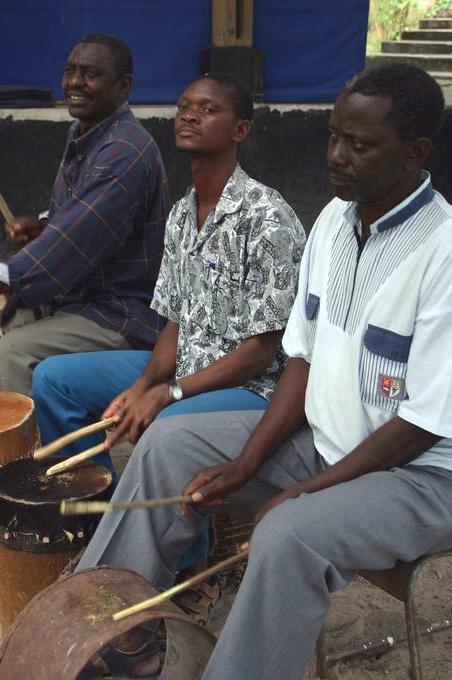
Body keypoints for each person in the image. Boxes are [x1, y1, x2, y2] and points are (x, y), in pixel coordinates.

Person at [75, 63, 452, 680]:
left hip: (436, 479)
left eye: (360, 145)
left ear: (415, 153)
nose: (338, 156)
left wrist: (302, 491)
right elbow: (301, 359)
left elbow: (425, 425)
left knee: (289, 533)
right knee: (170, 442)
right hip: (335, 448)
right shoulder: (335, 224)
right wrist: (248, 462)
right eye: (334, 136)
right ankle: (111, 630)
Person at [31, 73, 305, 477]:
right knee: (53, 379)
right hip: (185, 368)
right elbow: (175, 322)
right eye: (184, 107)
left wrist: (169, 393)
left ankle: (175, 538)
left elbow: (262, 352)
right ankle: (94, 502)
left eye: (208, 110)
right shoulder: (180, 214)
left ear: (240, 130)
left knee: (165, 427)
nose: (189, 116)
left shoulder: (268, 218)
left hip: (252, 389)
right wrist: (143, 386)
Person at [0, 34, 169, 396]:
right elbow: (78, 218)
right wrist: (43, 226)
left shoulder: (124, 151)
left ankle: (34, 453)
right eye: (70, 71)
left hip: (120, 313)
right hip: (84, 301)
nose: (74, 82)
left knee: (12, 353)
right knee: (7, 327)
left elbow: (77, 237)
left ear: (124, 86)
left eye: (90, 74)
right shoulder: (87, 134)